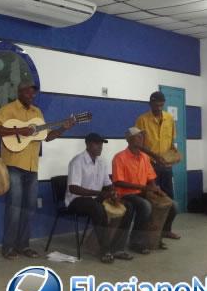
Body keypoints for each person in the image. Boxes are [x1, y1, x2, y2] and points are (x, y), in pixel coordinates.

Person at [0, 81, 76, 260]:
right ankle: (8, 248)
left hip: (32, 167)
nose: (31, 96)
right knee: (14, 209)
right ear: (20, 92)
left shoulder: (37, 113)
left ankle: (24, 245)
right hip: (13, 165)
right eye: (28, 92)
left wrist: (63, 128)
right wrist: (21, 130)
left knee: (29, 209)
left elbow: (46, 136)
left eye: (33, 93)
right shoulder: (8, 110)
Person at [65, 133, 134, 263]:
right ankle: (105, 250)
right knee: (97, 208)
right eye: (97, 144)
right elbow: (73, 188)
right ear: (88, 144)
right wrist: (99, 194)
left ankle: (118, 248)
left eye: (101, 144)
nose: (100, 147)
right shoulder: (77, 161)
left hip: (94, 198)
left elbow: (108, 184)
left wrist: (113, 193)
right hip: (76, 200)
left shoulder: (101, 162)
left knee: (128, 206)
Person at [112, 127, 173, 254]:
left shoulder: (145, 157)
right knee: (145, 206)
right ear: (129, 139)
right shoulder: (119, 157)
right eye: (138, 136)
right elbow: (118, 182)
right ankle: (136, 242)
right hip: (125, 194)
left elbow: (150, 177)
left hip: (143, 191)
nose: (141, 139)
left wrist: (156, 189)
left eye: (142, 136)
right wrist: (144, 188)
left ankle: (155, 238)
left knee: (172, 205)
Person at [135, 91, 180, 239]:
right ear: (150, 103)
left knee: (169, 199)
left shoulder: (169, 118)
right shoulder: (142, 120)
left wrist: (174, 153)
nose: (159, 108)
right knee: (152, 199)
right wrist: (155, 156)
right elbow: (138, 145)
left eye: (161, 105)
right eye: (156, 105)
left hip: (166, 166)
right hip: (149, 166)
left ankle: (166, 230)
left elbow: (171, 141)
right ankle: (151, 233)